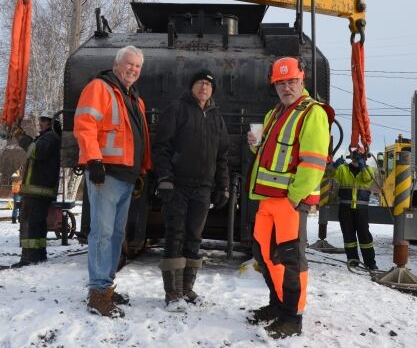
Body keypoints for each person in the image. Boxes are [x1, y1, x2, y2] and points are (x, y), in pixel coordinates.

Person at [245, 57, 330, 339]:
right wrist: (255, 147)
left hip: (289, 201)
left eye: (291, 81)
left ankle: (292, 317)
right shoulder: (274, 114)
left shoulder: (312, 112)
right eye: (280, 83)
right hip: (266, 199)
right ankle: (277, 304)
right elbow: (270, 159)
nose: (286, 87)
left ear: (302, 79)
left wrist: (294, 197)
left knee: (291, 260)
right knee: (264, 254)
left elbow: (314, 163)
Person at [74, 45, 151, 318]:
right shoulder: (100, 88)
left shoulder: (134, 99)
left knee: (117, 236)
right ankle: (97, 292)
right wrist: (94, 160)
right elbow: (85, 124)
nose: (133, 70)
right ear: (117, 65)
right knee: (102, 234)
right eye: (129, 64)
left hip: (126, 177)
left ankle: (105, 286)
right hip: (105, 174)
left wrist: (142, 169)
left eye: (137, 67)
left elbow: (137, 138)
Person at [152, 69, 230, 311]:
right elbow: (161, 146)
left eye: (208, 84)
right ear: (191, 87)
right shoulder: (177, 109)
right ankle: (172, 292)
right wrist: (164, 178)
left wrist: (223, 186)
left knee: (195, 237)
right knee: (175, 234)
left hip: (203, 187)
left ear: (212, 90)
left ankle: (186, 289)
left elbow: (222, 156)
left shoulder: (216, 117)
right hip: (177, 185)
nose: (204, 87)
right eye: (200, 83)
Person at [12, 111, 62, 267]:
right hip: (39, 190)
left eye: (44, 121)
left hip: (38, 190)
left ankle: (29, 257)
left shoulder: (51, 138)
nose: (40, 123)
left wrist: (21, 137)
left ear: (51, 124)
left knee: (29, 223)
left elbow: (36, 151)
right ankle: (39, 255)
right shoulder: (47, 138)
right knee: (38, 223)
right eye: (40, 120)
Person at [331, 149, 377, 270]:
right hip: (345, 209)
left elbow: (367, 178)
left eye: (360, 156)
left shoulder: (369, 170)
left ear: (365, 158)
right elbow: (329, 175)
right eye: (356, 156)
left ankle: (370, 263)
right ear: (351, 157)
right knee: (348, 236)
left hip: (361, 210)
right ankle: (353, 260)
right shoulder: (343, 169)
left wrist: (362, 166)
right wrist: (333, 166)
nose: (357, 158)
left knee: (365, 237)